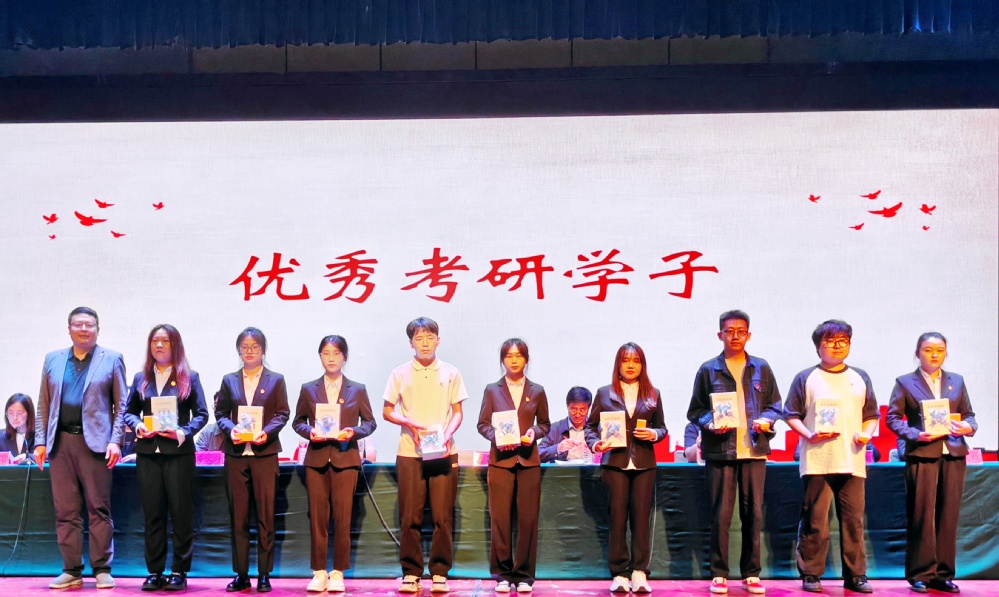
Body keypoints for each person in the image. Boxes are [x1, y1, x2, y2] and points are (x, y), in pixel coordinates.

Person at [687, 310, 783, 595]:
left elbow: (775, 405)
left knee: (753, 514)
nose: (735, 336)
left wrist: (766, 419)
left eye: (741, 331)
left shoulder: (761, 367)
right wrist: (710, 423)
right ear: (720, 335)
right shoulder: (709, 369)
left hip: (754, 450)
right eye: (730, 331)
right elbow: (695, 411)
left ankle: (751, 574)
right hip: (720, 452)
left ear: (748, 335)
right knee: (720, 515)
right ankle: (719, 574)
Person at [34, 306, 127, 590]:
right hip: (60, 443)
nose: (84, 329)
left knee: (99, 508)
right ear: (69, 329)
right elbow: (43, 404)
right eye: (78, 324)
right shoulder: (53, 359)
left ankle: (102, 569)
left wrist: (115, 440)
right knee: (65, 511)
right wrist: (40, 441)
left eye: (89, 325)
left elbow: (121, 405)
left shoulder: (111, 358)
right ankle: (71, 569)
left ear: (98, 329)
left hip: (95, 445)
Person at [783, 320, 878, 594]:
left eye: (843, 341)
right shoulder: (806, 377)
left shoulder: (860, 377)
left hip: (852, 458)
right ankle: (811, 573)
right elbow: (790, 414)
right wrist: (809, 435)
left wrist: (866, 434)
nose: (837, 346)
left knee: (853, 520)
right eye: (830, 341)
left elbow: (871, 415)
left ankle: (856, 575)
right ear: (818, 347)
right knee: (815, 519)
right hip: (817, 459)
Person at [886, 332, 977, 594]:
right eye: (928, 350)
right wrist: (915, 434)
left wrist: (968, 427)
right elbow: (892, 418)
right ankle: (920, 573)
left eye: (940, 350)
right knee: (922, 515)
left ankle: (943, 574)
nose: (934, 354)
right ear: (918, 353)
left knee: (948, 515)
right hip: (922, 453)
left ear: (945, 352)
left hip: (953, 453)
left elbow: (969, 416)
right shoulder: (905, 382)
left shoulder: (956, 380)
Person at [382, 317, 468, 593]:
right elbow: (387, 410)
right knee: (410, 516)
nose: (425, 343)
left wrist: (447, 433)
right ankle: (411, 572)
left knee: (443, 515)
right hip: (410, 452)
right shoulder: (399, 373)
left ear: (438, 340)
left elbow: (458, 412)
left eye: (430, 337)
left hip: (443, 451)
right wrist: (408, 423)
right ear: (411, 343)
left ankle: (440, 572)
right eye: (419, 338)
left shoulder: (451, 372)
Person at [122, 324, 208, 591]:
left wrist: (182, 431)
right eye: (155, 341)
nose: (159, 346)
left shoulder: (189, 377)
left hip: (178, 454)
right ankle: (155, 571)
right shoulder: (141, 378)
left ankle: (179, 571)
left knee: (181, 514)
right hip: (148, 454)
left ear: (175, 345)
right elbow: (128, 412)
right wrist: (138, 426)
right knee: (153, 514)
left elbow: (202, 414)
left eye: (165, 341)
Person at [293, 335, 377, 593]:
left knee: (343, 517)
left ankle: (338, 571)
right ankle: (319, 571)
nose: (331, 358)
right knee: (317, 517)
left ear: (345, 357)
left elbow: (370, 423)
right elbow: (298, 422)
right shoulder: (309, 388)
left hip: (345, 459)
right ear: (320, 356)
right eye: (326, 353)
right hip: (317, 459)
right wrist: (310, 432)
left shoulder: (357, 389)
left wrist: (353, 432)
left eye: (336, 353)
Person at [586, 342, 667, 594]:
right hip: (615, 464)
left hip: (644, 465)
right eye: (625, 360)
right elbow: (590, 427)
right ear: (618, 364)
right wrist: (596, 443)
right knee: (617, 519)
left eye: (636, 361)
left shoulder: (653, 393)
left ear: (642, 365)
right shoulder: (604, 393)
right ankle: (620, 573)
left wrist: (654, 433)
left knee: (641, 519)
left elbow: (662, 428)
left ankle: (639, 572)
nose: (630, 365)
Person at [215, 327, 290, 593]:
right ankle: (242, 574)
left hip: (264, 455)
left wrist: (265, 432)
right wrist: (230, 429)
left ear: (263, 350)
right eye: (245, 347)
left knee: (265, 517)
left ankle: (264, 574)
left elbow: (282, 414)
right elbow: (221, 413)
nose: (250, 352)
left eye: (255, 347)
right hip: (236, 455)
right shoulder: (229, 380)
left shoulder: (276, 380)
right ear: (239, 350)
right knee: (238, 517)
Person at [476, 338, 551, 593]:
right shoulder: (492, 390)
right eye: (509, 356)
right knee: (500, 519)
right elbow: (482, 424)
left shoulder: (537, 390)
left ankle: (524, 576)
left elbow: (545, 424)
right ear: (503, 360)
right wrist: (496, 436)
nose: (514, 360)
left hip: (528, 461)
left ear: (526, 359)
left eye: (519, 355)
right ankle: (503, 575)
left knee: (528, 520)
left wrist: (534, 432)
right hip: (500, 462)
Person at [538, 386, 593, 463]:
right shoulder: (554, 429)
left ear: (589, 408)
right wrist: (558, 448)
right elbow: (538, 453)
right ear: (567, 406)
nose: (577, 414)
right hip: (562, 470)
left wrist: (594, 450)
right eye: (573, 409)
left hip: (591, 470)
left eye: (582, 410)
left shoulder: (596, 428)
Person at [1, 393, 35, 463]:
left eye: (19, 413)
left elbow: (49, 457)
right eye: (10, 413)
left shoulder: (40, 436)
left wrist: (29, 457)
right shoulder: (1, 436)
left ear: (29, 413)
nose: (14, 418)